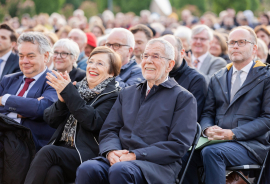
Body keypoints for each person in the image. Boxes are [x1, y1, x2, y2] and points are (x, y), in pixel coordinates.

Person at [76, 38, 197, 184]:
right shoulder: (128, 93)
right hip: (121, 158)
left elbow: (178, 144)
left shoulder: (183, 98)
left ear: (170, 65)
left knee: (120, 170)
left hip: (157, 166)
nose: (148, 61)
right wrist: (111, 151)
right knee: (87, 168)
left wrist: (135, 155)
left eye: (156, 56)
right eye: (145, 56)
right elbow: (109, 129)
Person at [180, 26, 270, 184]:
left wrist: (233, 133)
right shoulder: (218, 77)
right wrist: (208, 129)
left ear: (254, 48)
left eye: (241, 42)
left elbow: (267, 118)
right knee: (183, 154)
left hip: (252, 145)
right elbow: (207, 113)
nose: (235, 46)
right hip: (218, 141)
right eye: (232, 42)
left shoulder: (266, 76)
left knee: (212, 152)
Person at [24, 46, 122, 184]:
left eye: (100, 63)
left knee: (48, 151)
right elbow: (50, 119)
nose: (93, 67)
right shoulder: (76, 88)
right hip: (64, 149)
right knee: (53, 173)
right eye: (91, 61)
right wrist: (62, 101)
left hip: (88, 152)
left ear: (112, 72)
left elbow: (92, 121)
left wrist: (69, 93)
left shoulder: (114, 95)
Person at [0, 32, 58, 151]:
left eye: (31, 56)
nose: (24, 61)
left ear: (46, 56)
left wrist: (5, 99)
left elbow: (41, 109)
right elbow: (34, 108)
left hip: (29, 144)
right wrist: (24, 109)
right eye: (21, 56)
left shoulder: (54, 81)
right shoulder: (8, 80)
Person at [162, 35, 207, 121]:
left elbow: (190, 118)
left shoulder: (196, 79)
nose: (165, 55)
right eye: (161, 52)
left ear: (182, 53)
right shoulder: (153, 76)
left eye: (169, 50)